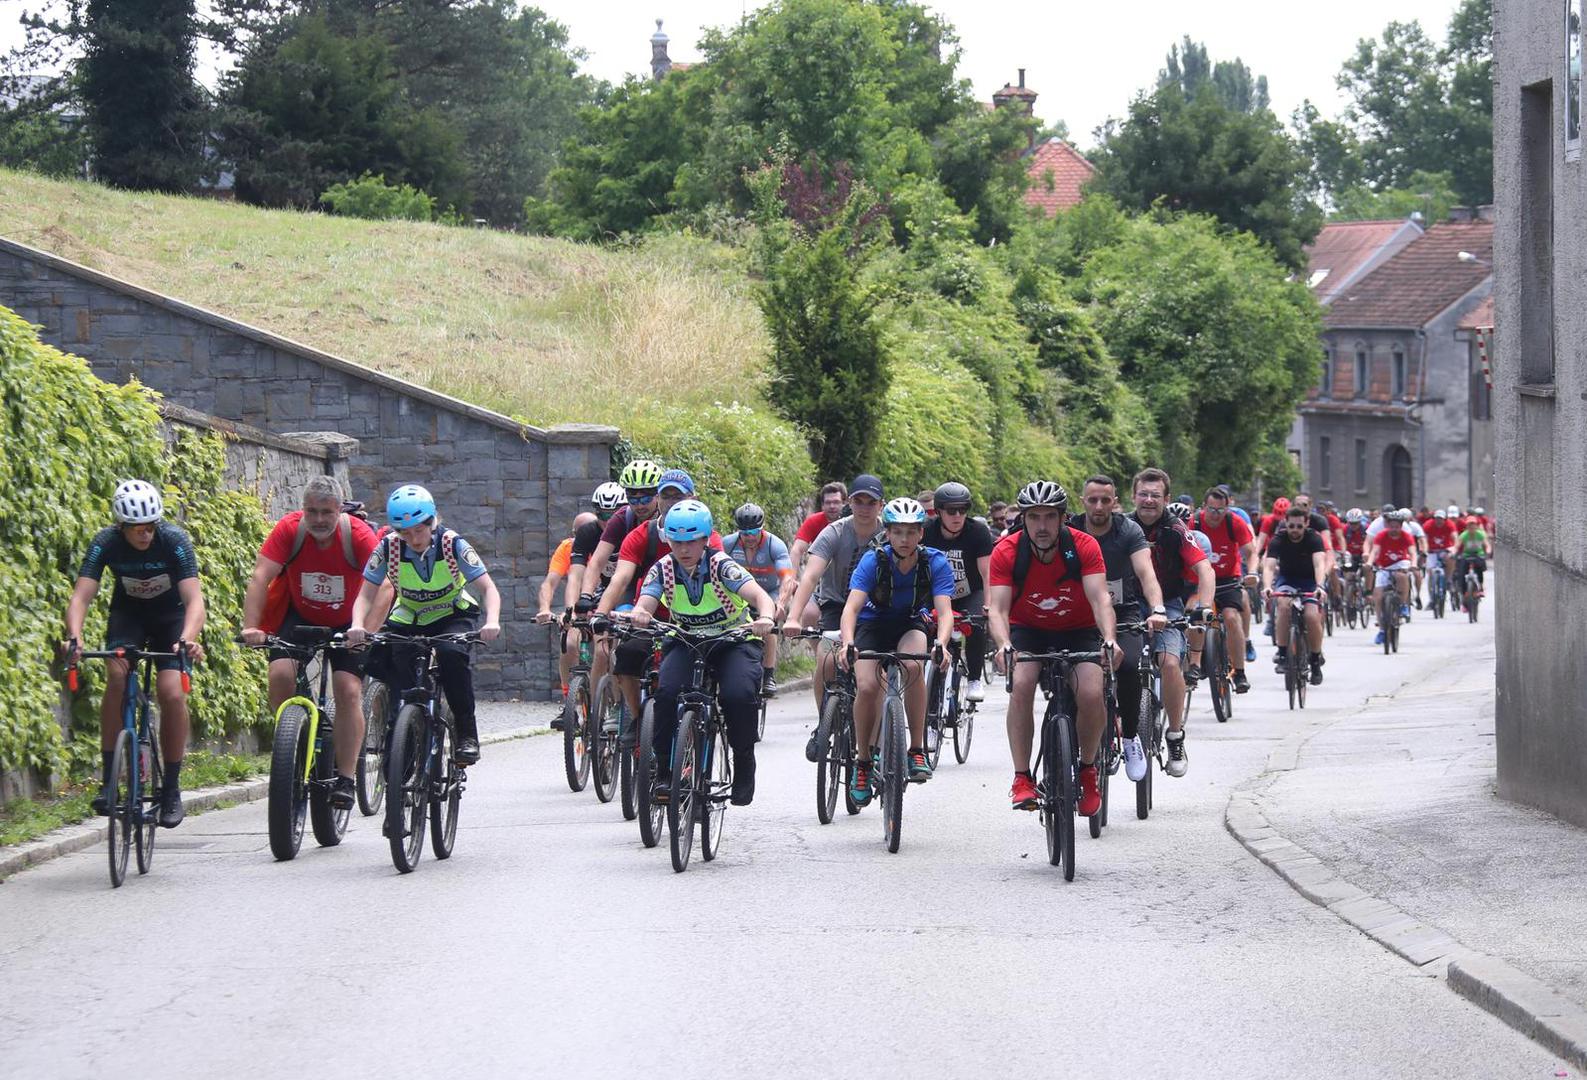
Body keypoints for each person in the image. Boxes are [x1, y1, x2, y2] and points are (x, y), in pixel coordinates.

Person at [64, 479, 206, 827]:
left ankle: (171, 789)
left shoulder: (173, 540)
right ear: (121, 526)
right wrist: (74, 637)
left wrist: (187, 638)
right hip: (128, 618)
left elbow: (194, 599)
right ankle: (109, 780)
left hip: (169, 620)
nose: (144, 535)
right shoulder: (106, 543)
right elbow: (81, 596)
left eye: (150, 527)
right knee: (116, 675)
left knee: (171, 693)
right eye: (137, 530)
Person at [240, 475, 379, 808]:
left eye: (326, 512)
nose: (318, 520)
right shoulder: (290, 530)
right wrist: (251, 627)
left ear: (339, 510)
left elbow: (385, 585)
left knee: (347, 690)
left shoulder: (358, 536)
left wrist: (366, 631)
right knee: (280, 676)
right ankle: (293, 743)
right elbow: (261, 575)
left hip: (350, 623)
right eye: (311, 511)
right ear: (303, 509)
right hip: (299, 615)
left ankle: (345, 778)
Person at [628, 500, 777, 806]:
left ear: (705, 539)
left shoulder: (722, 566)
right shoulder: (664, 569)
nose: (684, 549)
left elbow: (760, 597)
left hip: (732, 639)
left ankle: (744, 761)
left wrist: (764, 618)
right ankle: (667, 769)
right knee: (666, 693)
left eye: (692, 541)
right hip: (685, 639)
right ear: (669, 540)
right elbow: (646, 600)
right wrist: (641, 613)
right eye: (677, 541)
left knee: (738, 694)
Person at [346, 485, 502, 765]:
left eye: (419, 530)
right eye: (404, 533)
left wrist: (491, 621)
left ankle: (466, 733)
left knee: (451, 655)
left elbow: (488, 588)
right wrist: (358, 624)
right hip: (409, 616)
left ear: (432, 522)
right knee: (395, 666)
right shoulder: (388, 548)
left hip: (452, 614)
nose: (413, 538)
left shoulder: (453, 544)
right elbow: (365, 595)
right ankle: (401, 746)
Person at [988, 481, 1114, 817]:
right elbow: (997, 609)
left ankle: (1088, 769)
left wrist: (1110, 639)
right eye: (1033, 518)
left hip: (1079, 629)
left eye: (1048, 517)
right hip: (1028, 630)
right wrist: (1004, 645)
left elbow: (1101, 598)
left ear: (1062, 518)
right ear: (1024, 519)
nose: (1041, 526)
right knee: (1023, 683)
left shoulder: (1084, 546)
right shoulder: (1007, 550)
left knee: (1090, 692)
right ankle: (1022, 777)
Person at [839, 497, 955, 797]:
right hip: (872, 625)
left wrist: (941, 643)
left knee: (915, 665)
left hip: (909, 623)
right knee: (866, 687)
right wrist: (848, 642)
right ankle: (863, 762)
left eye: (911, 532)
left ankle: (916, 750)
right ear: (888, 533)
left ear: (921, 534)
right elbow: (851, 609)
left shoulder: (935, 562)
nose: (904, 539)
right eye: (898, 532)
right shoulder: (873, 560)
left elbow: (944, 612)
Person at [595, 469, 721, 725]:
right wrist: (600, 613)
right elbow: (620, 579)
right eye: (666, 496)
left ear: (692, 498)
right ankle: (637, 720)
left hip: (693, 622)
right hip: (649, 617)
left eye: (679, 496)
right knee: (627, 657)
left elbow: (721, 580)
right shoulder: (641, 535)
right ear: (658, 500)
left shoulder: (710, 538)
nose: (672, 501)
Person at [782, 475, 886, 760]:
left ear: (881, 505)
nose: (864, 508)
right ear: (849, 503)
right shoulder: (834, 532)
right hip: (836, 605)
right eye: (858, 501)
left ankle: (874, 745)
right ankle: (824, 723)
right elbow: (811, 575)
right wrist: (793, 617)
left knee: (877, 676)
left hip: (875, 611)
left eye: (871, 502)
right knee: (826, 661)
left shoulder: (891, 534)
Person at [1071, 475, 1167, 783]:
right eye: (1092, 500)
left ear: (1115, 503)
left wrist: (1158, 609)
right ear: (1082, 501)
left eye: (1105, 500)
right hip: (1079, 615)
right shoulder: (1069, 529)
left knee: (1126, 666)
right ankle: (1066, 739)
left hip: (1123, 613)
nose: (1099, 506)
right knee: (1063, 671)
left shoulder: (1128, 530)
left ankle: (1129, 738)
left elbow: (1146, 573)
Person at [1128, 468, 1213, 777]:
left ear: (1165, 499)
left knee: (1170, 664)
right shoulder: (1121, 526)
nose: (1149, 500)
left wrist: (1203, 607)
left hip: (1171, 606)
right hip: (1125, 606)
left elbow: (1205, 569)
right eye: (1143, 494)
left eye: (1155, 495)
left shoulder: (1176, 529)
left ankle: (1175, 735)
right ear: (1133, 496)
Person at [922, 481, 995, 702]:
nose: (957, 516)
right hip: (935, 592)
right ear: (939, 511)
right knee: (921, 623)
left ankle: (974, 678)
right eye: (951, 511)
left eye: (962, 510)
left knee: (976, 624)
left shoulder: (979, 532)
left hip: (969, 592)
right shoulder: (926, 531)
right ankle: (926, 672)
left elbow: (987, 574)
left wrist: (989, 605)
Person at [721, 503, 795, 695]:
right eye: (744, 533)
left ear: (762, 528)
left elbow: (787, 578)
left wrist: (781, 603)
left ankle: (768, 674)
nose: (749, 538)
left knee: (768, 622)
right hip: (739, 593)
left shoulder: (774, 545)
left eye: (754, 532)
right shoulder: (728, 544)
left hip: (769, 591)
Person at [538, 509, 600, 724]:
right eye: (576, 533)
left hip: (603, 606)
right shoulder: (567, 548)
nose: (580, 538)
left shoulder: (607, 547)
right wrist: (545, 608)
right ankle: (569, 705)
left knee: (608, 650)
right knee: (569, 644)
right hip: (577, 608)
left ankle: (609, 702)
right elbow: (550, 581)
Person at [1193, 486, 1257, 693]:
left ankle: (1239, 672)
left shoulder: (1234, 523)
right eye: (1211, 510)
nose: (1215, 515)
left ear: (1227, 509)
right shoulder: (1193, 522)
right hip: (1200, 579)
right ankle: (1198, 659)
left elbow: (1251, 552)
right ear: (1203, 507)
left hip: (1228, 579)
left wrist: (1253, 572)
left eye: (1220, 511)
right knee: (1194, 613)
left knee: (1231, 617)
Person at [1262, 506, 1328, 685]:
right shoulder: (1278, 539)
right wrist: (1267, 586)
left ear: (1306, 524)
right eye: (1291, 526)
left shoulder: (1314, 538)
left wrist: (1320, 586)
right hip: (1288, 580)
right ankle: (1283, 653)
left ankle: (1315, 659)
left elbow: (1319, 565)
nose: (1295, 531)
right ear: (1286, 524)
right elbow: (1269, 566)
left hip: (1310, 581)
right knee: (1283, 607)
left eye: (1299, 526)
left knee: (1312, 616)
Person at [1364, 510, 1417, 646]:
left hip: (1401, 562)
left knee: (1401, 576)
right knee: (1378, 596)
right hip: (1384, 564)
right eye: (1391, 526)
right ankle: (1382, 629)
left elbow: (1412, 552)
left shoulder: (1406, 536)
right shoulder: (1381, 535)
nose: (1394, 529)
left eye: (1396, 526)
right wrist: (1369, 562)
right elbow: (1375, 551)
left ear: (1401, 526)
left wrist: (1414, 564)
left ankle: (1404, 604)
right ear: (1388, 525)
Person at [789, 482, 848, 576]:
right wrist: (790, 578)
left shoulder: (853, 522)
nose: (832, 506)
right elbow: (797, 550)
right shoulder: (814, 521)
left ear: (844, 503)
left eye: (836, 502)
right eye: (828, 503)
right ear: (822, 505)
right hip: (822, 570)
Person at [1455, 515, 1492, 598]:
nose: (1471, 526)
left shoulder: (1480, 534)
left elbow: (1487, 545)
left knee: (1479, 569)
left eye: (1473, 524)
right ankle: (1464, 592)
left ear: (1476, 525)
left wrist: (1488, 551)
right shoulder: (1464, 535)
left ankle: (1481, 587)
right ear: (1467, 526)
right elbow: (1457, 545)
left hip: (1478, 554)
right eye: (1469, 524)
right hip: (1467, 555)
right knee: (1462, 572)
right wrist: (1454, 552)